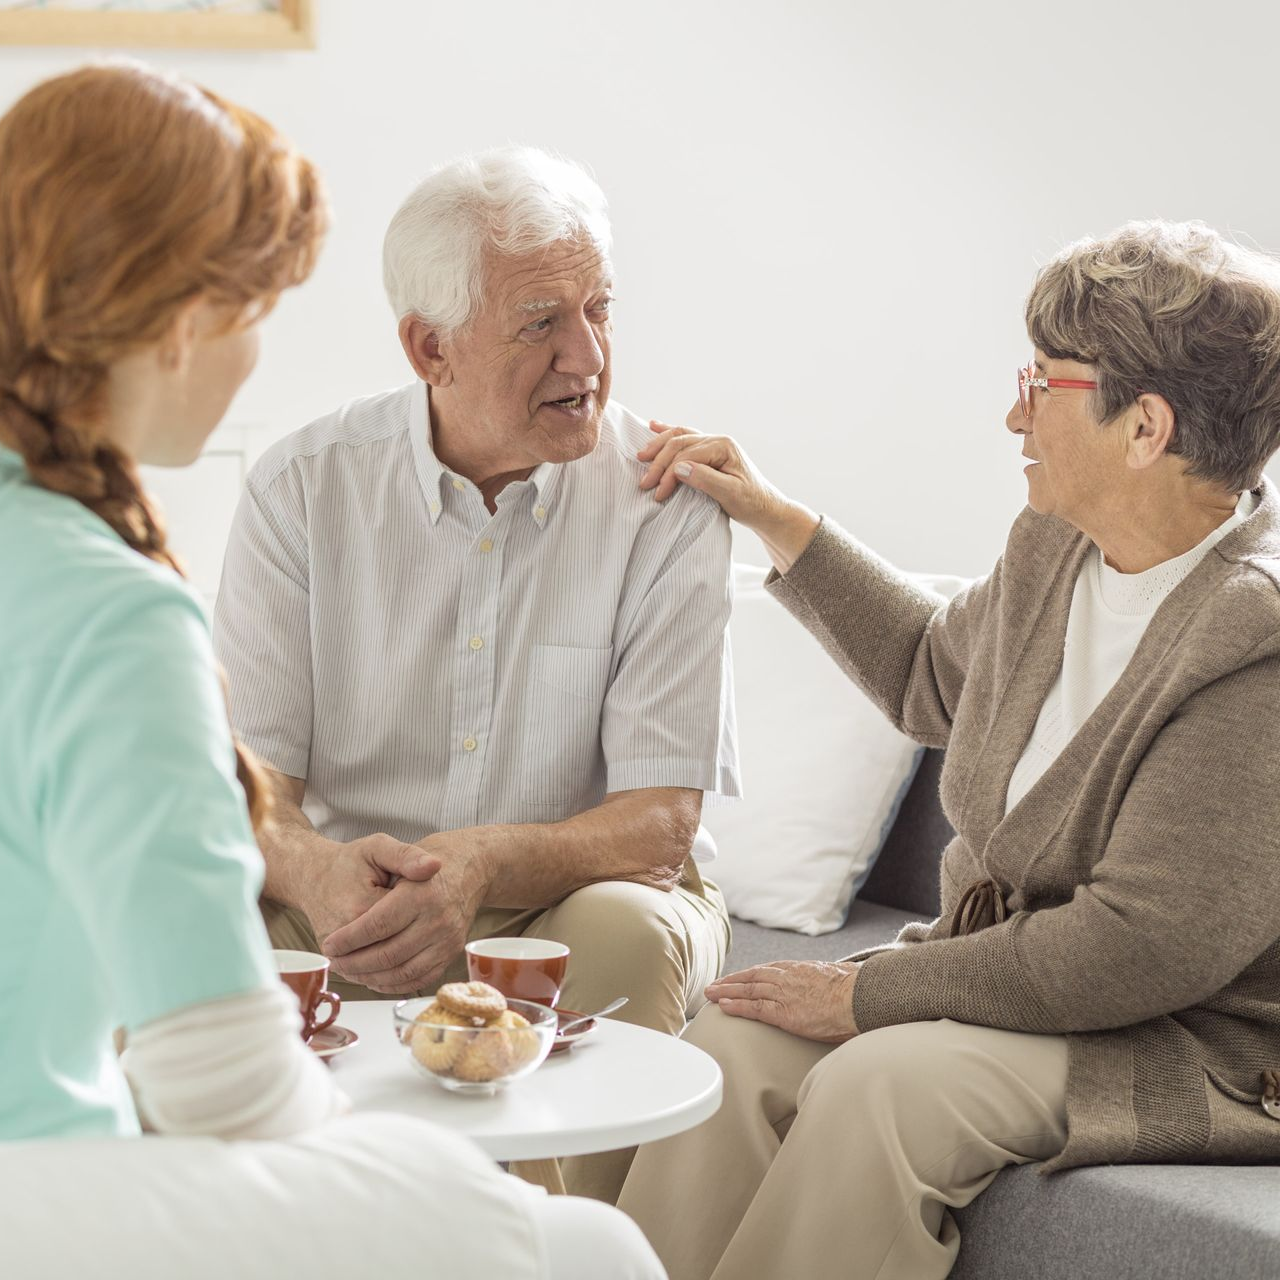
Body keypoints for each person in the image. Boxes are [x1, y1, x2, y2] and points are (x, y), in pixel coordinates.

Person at [0, 62, 662, 1280]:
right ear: (185, 320)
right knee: (592, 1249)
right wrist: (451, 1188)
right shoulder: (109, 606)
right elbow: (224, 1082)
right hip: (39, 1193)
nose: (257, 353)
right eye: (258, 307)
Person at [615, 219, 1280, 1280]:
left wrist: (869, 994)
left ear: (1142, 426)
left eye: (1043, 381)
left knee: (881, 1087)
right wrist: (772, 517)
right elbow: (934, 674)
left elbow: (1137, 947)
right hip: (1018, 987)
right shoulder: (1060, 545)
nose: (1011, 411)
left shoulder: (1252, 639)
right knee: (735, 1044)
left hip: (1182, 1038)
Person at [212, 146, 740, 1201]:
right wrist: (319, 875)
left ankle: (558, 1248)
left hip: (576, 892)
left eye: (599, 308)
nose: (586, 353)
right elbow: (245, 791)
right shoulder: (300, 489)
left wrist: (480, 868)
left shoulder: (664, 502)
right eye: (541, 321)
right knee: (194, 919)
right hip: (353, 890)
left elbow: (655, 825)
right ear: (428, 347)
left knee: (628, 930)